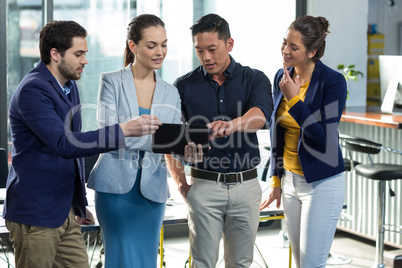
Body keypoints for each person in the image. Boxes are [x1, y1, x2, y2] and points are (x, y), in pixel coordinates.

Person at [4, 20, 162, 268]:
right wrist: (125, 129)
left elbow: (74, 154)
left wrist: (78, 202)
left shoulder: (68, 86)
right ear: (55, 54)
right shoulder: (32, 90)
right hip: (36, 213)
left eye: (85, 54)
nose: (85, 60)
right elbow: (65, 144)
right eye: (78, 54)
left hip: (63, 210)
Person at [87, 14, 202, 268]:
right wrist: (154, 140)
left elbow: (172, 143)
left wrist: (188, 153)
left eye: (164, 44)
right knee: (119, 259)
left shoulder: (170, 92)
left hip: (152, 193)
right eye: (151, 46)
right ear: (133, 46)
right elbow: (108, 135)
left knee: (147, 260)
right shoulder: (111, 81)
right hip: (115, 190)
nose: (160, 51)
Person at [165, 13, 273, 268]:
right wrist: (182, 186)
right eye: (200, 50)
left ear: (229, 44)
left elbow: (260, 116)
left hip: (246, 187)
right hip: (203, 186)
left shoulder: (254, 78)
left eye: (212, 49)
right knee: (202, 263)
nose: (206, 57)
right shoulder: (182, 86)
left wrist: (232, 125)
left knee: (241, 263)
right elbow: (170, 141)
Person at [260, 15, 347, 268]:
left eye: (293, 47)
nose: (285, 51)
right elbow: (277, 131)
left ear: (313, 51)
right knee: (300, 263)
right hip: (289, 182)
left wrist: (295, 101)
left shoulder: (332, 82)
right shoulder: (282, 76)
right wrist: (276, 179)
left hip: (321, 184)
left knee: (311, 264)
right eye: (284, 43)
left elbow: (324, 140)